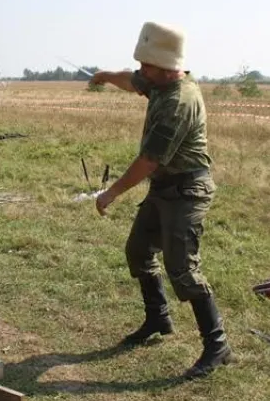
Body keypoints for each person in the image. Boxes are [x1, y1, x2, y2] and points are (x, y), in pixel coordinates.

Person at [89, 21, 234, 379]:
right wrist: (105, 76)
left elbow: (149, 160)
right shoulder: (158, 80)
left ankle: (217, 346)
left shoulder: (178, 102)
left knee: (183, 268)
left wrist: (111, 193)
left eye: (146, 66)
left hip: (187, 191)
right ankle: (158, 318)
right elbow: (131, 80)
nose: (141, 72)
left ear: (167, 67)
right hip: (165, 188)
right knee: (138, 250)